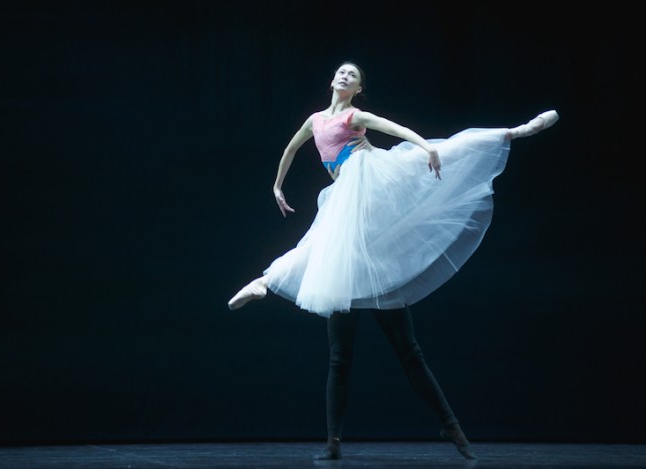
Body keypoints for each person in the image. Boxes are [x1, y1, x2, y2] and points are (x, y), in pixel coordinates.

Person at [227, 61, 558, 460]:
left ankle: (513, 132)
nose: (345, 76)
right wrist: (277, 185)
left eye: (353, 75)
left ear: (358, 88)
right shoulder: (315, 120)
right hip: (352, 250)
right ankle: (333, 442)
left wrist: (427, 147)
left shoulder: (355, 116)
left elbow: (395, 129)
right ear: (332, 81)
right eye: (341, 72)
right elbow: (291, 148)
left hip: (369, 185)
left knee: (408, 351)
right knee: (340, 356)